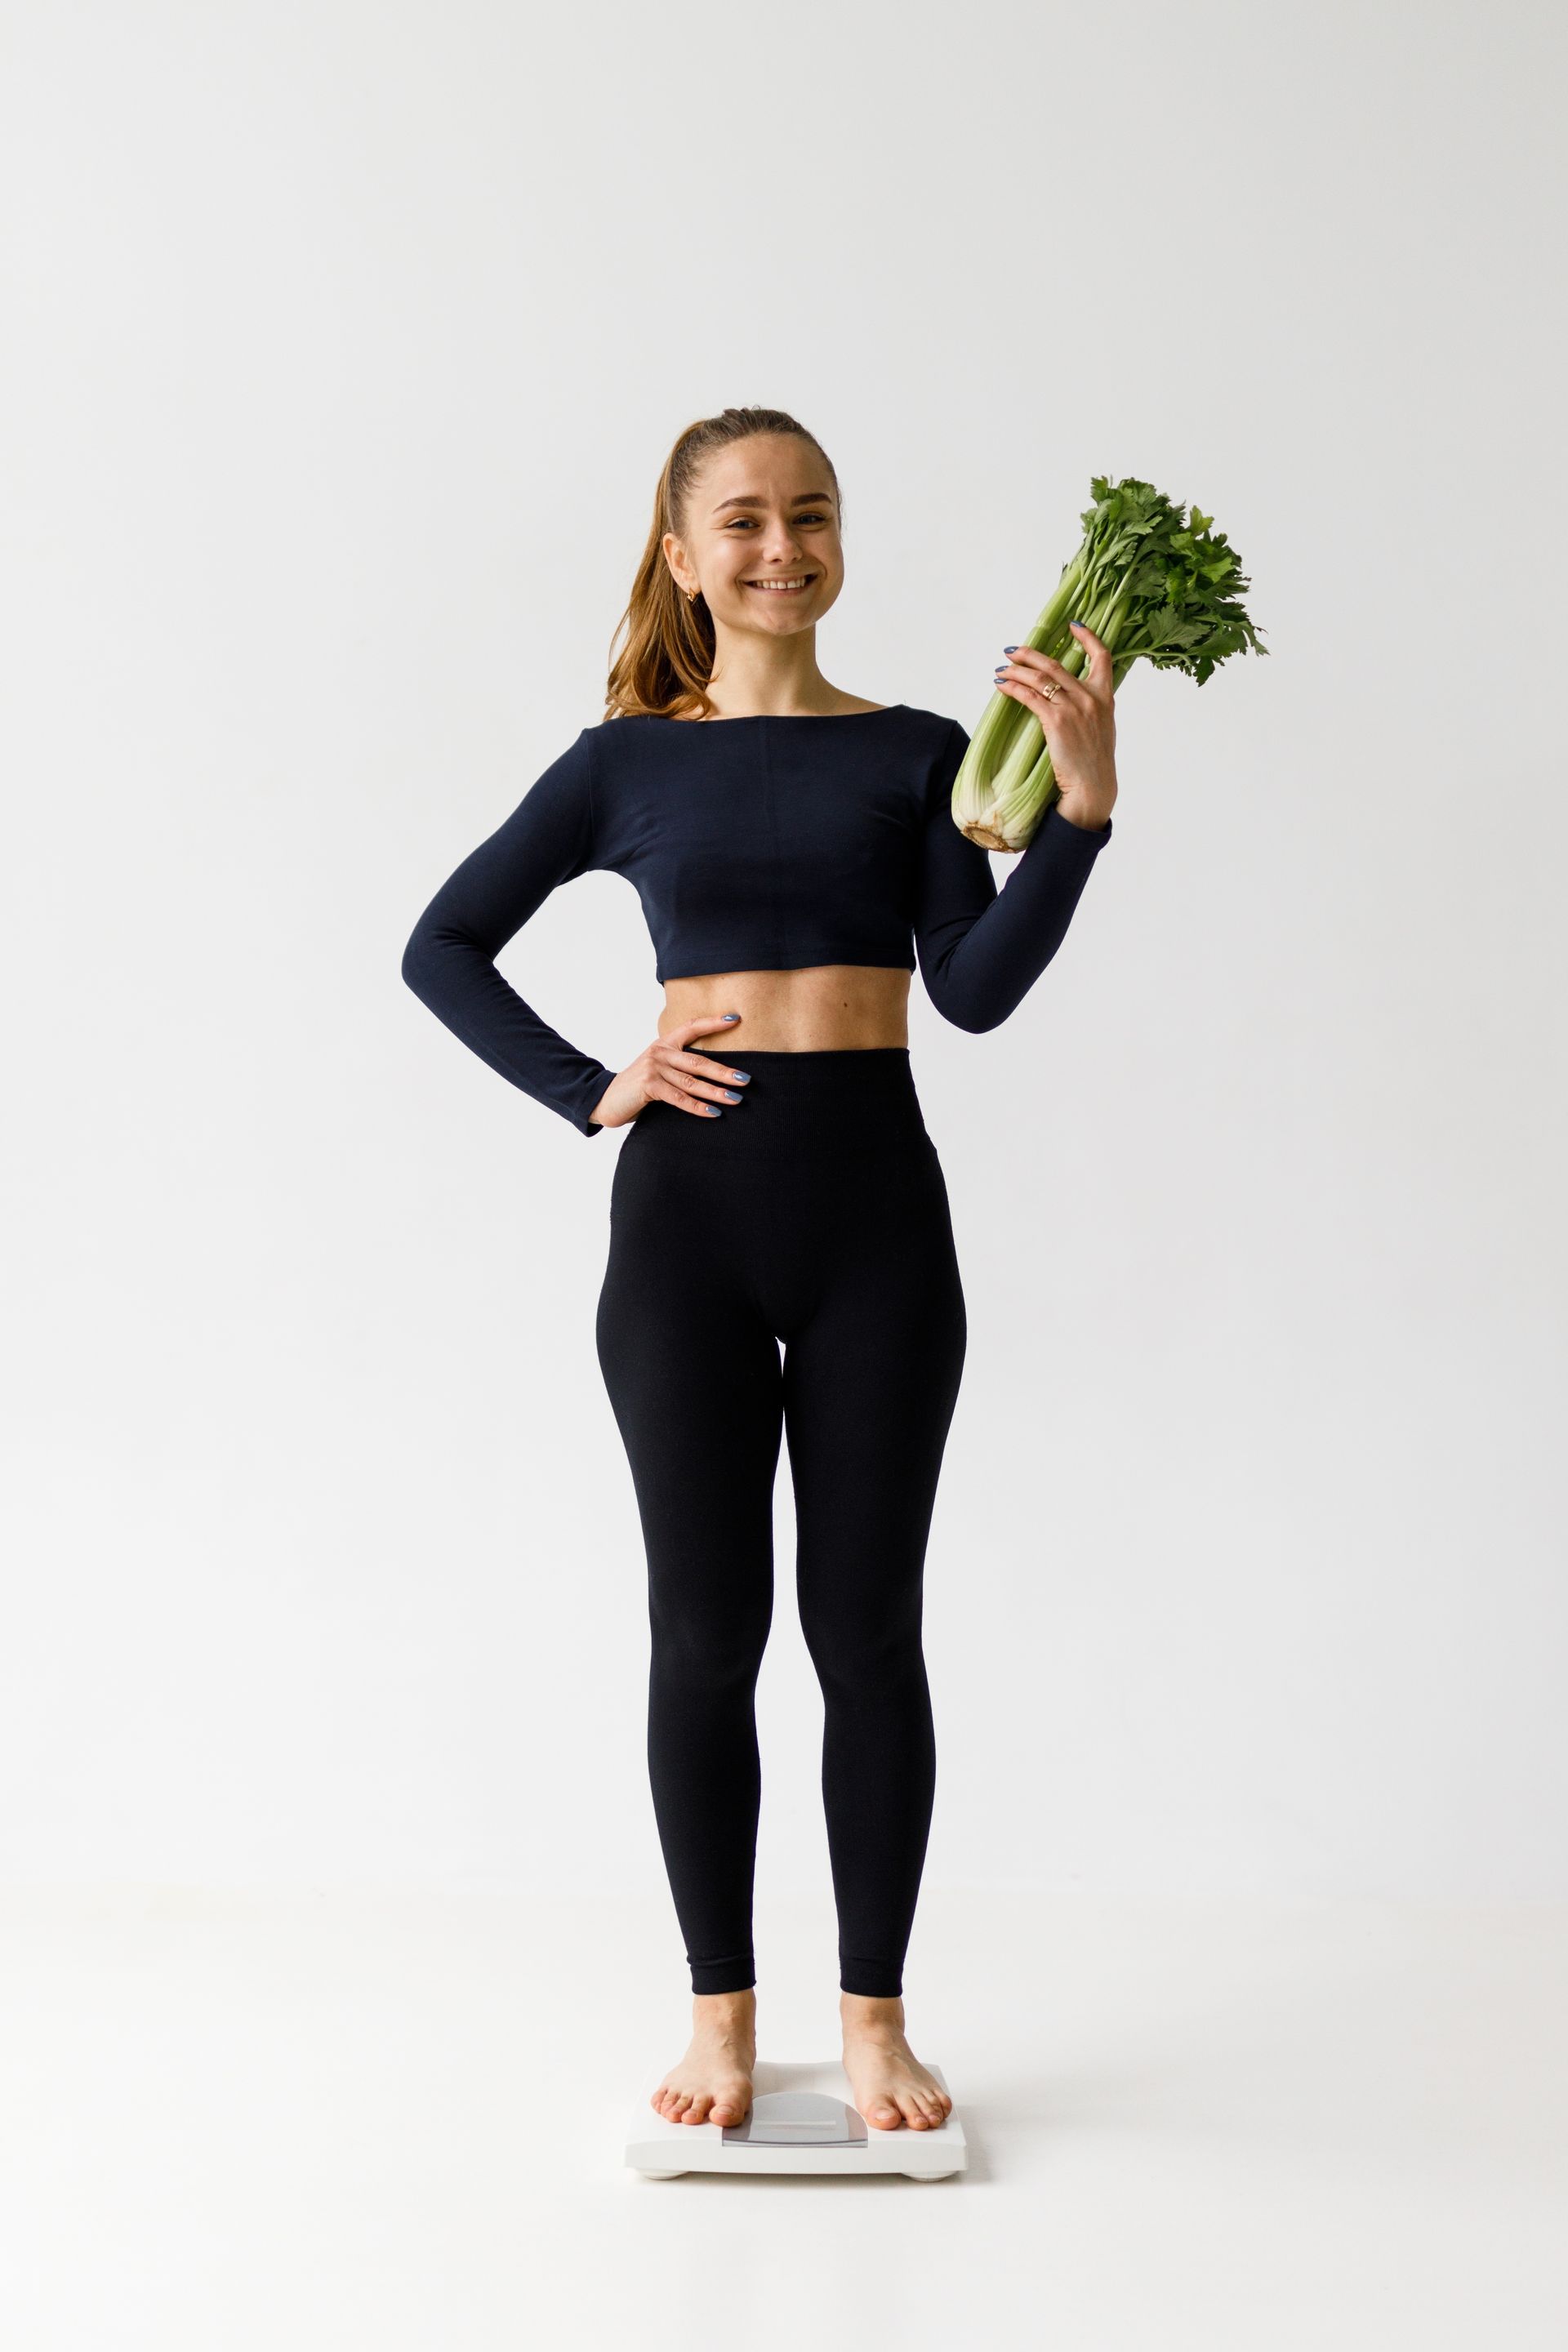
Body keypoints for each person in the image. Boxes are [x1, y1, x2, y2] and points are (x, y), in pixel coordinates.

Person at [401, 405, 1118, 2136]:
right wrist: (595, 1086)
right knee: (705, 1633)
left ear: (840, 538)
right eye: (741, 520)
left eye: (809, 515)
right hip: (688, 1230)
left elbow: (973, 991)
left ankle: (873, 2021)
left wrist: (1077, 820)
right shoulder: (624, 763)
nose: (779, 545)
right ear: (680, 550)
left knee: (866, 1634)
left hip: (878, 1219)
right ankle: (721, 2019)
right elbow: (441, 945)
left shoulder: (924, 753)